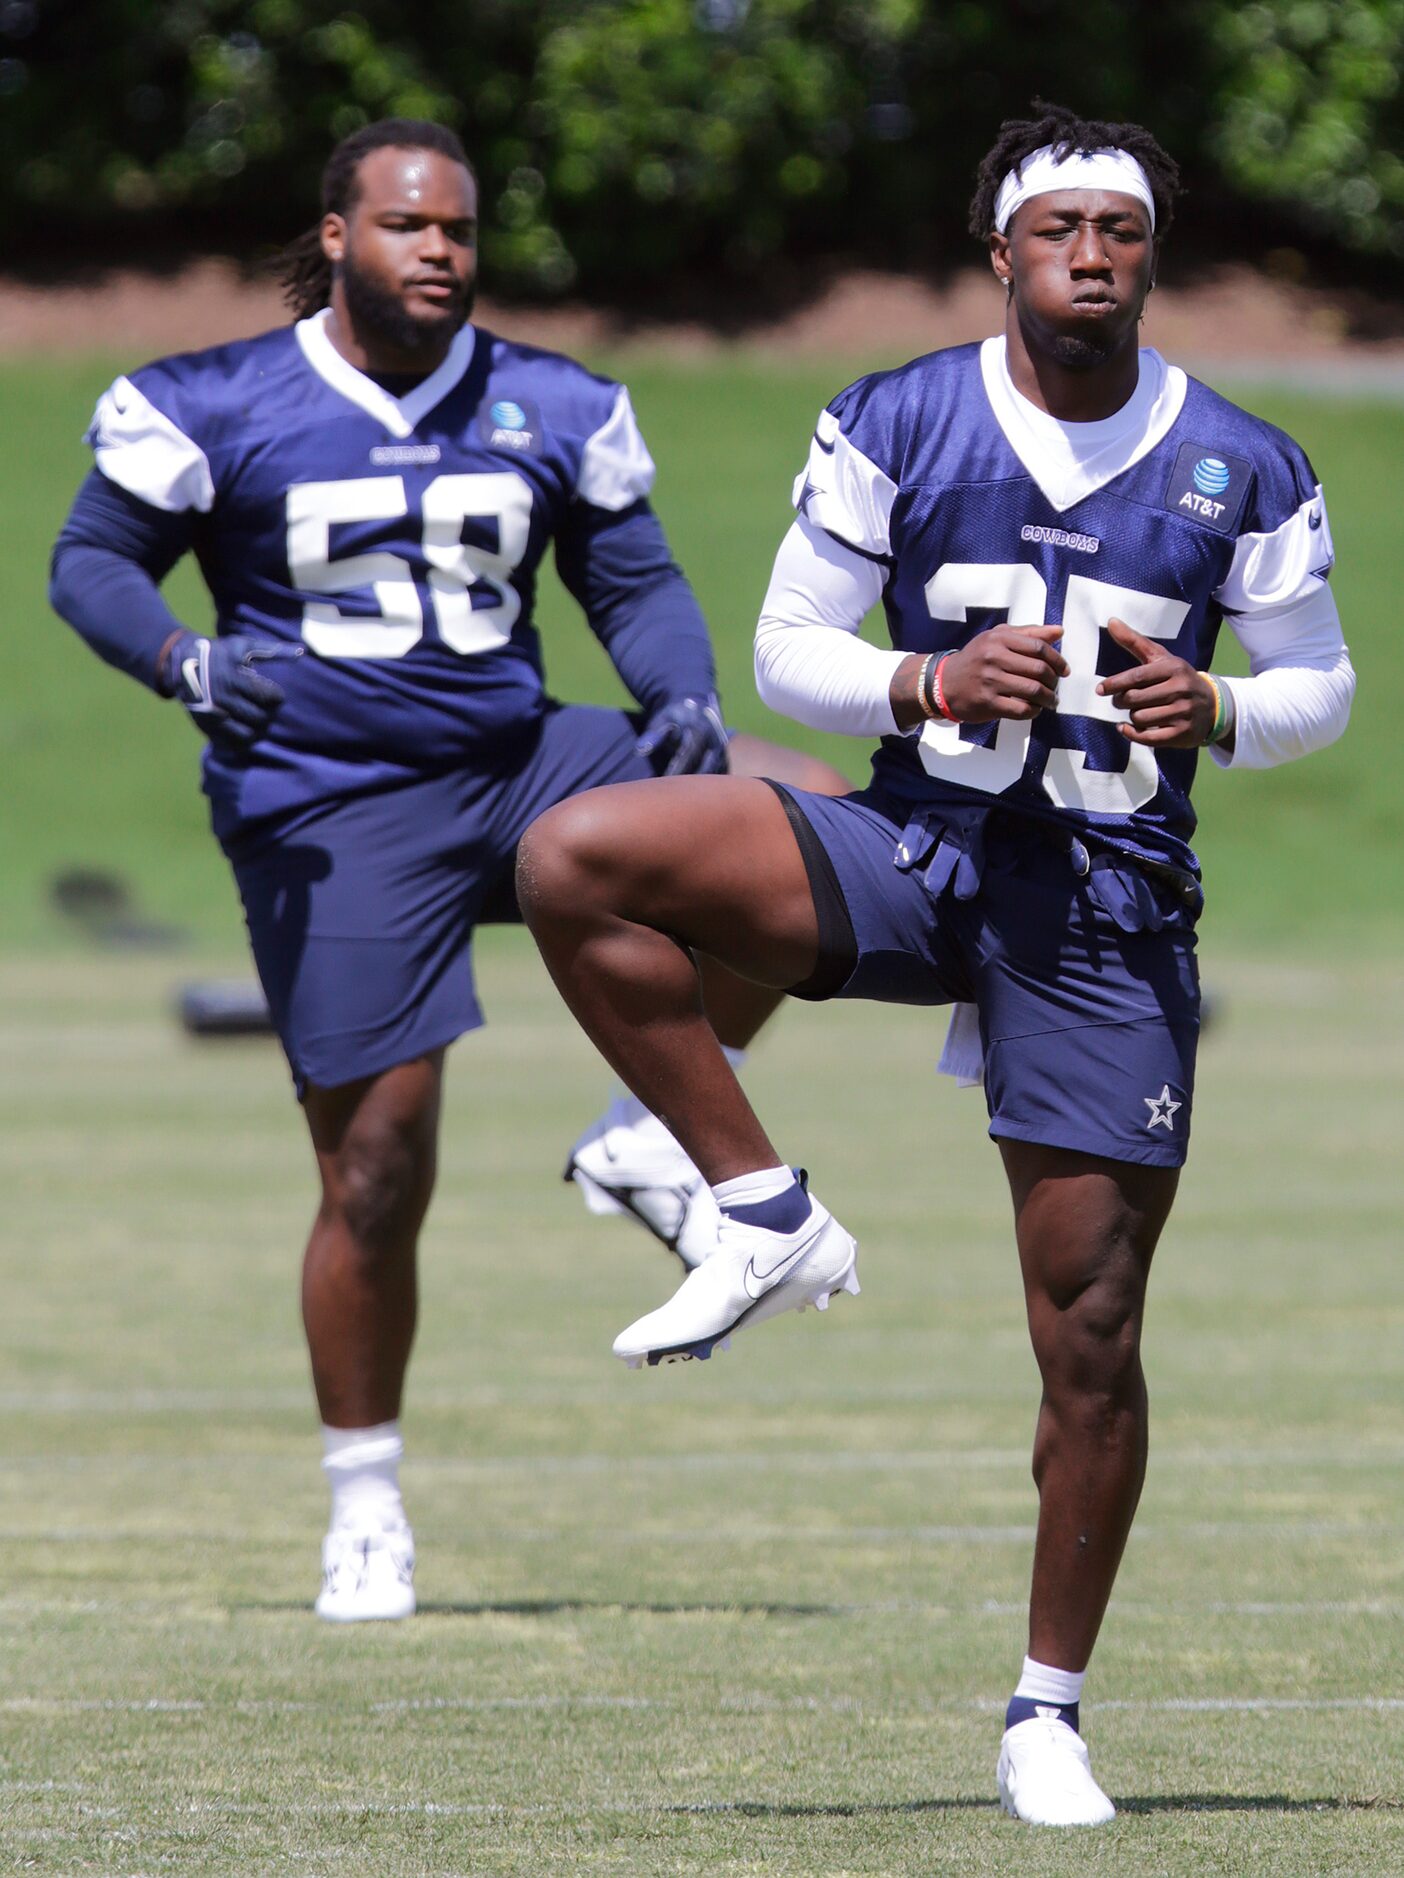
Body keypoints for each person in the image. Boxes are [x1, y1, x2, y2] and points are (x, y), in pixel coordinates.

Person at [516, 103, 1355, 1826]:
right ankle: (754, 1206)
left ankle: (1045, 1710)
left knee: (1094, 1328)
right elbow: (788, 651)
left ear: (1149, 254)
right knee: (576, 855)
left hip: (1104, 902)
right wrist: (927, 681)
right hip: (919, 851)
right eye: (1061, 229)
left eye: (1122, 229)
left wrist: (1230, 710)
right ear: (1004, 251)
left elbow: (1320, 683)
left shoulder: (1243, 461)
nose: (1093, 255)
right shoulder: (897, 414)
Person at [48, 118, 845, 1625]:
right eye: (408, 224)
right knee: (377, 1164)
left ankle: (645, 1127)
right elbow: (90, 562)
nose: (439, 250)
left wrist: (671, 685)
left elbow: (636, 574)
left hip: (520, 758)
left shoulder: (551, 399)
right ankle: (366, 1499)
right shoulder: (210, 400)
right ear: (338, 235)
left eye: (460, 230)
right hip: (331, 795)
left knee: (794, 813)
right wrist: (183, 659)